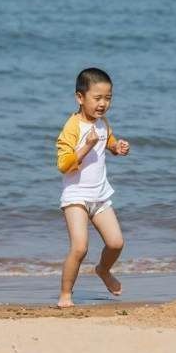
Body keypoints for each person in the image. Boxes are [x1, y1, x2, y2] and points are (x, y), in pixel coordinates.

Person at [55, 68, 130, 308]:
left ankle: (103, 270)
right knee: (79, 247)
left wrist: (117, 148)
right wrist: (85, 147)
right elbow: (63, 165)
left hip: (100, 196)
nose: (103, 104)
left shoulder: (102, 123)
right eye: (97, 98)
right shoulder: (72, 126)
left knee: (116, 243)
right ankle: (66, 294)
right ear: (80, 98)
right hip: (76, 197)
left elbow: (107, 141)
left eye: (108, 98)